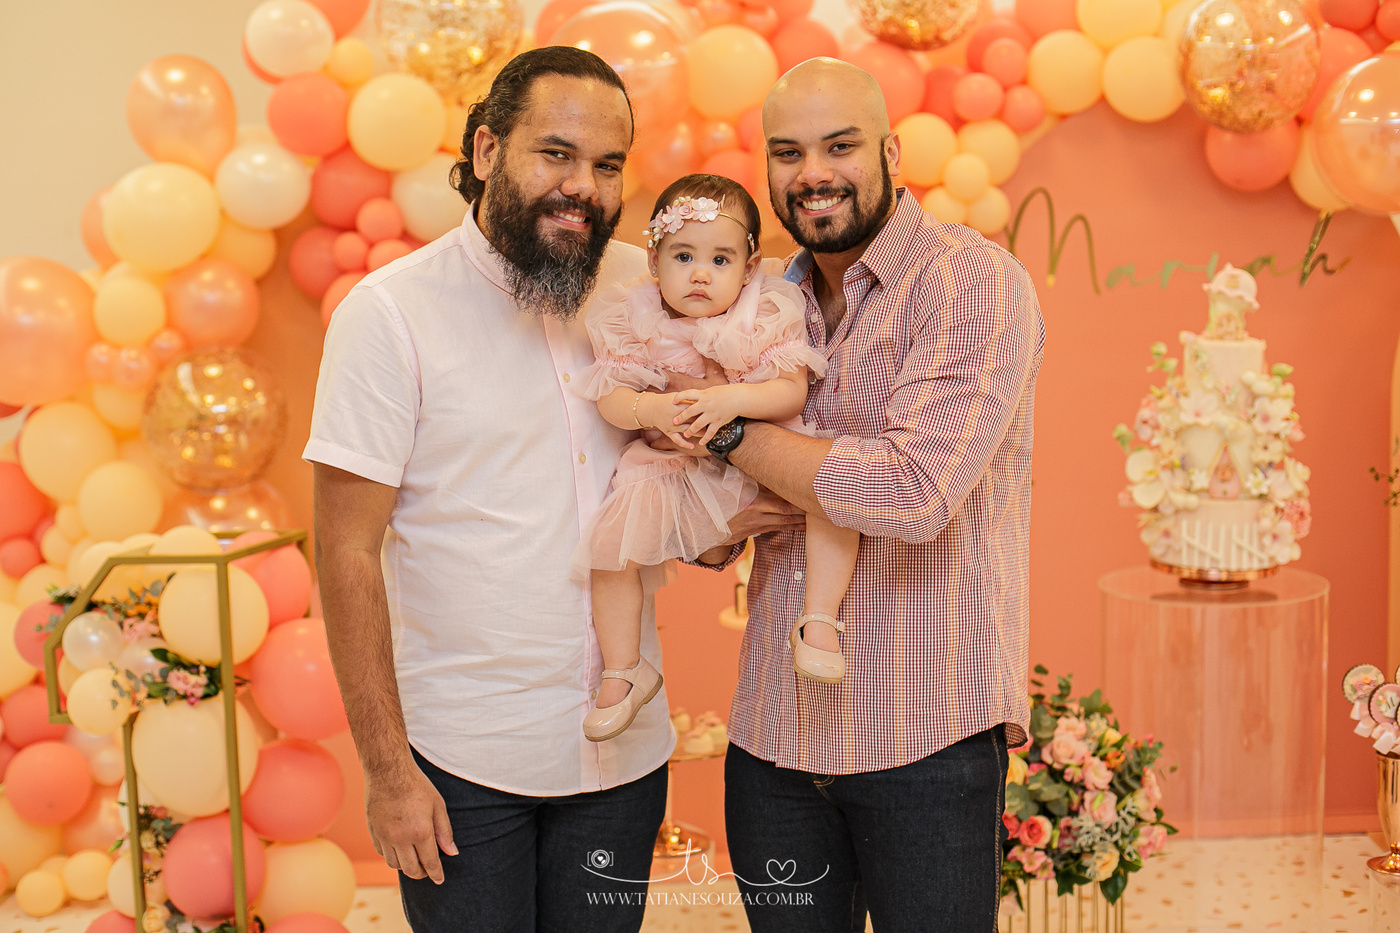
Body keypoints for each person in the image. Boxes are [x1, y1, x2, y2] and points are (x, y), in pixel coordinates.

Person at [303, 48, 797, 933]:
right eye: (556, 154)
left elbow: (664, 468)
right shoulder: (389, 314)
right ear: (487, 150)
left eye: (607, 165)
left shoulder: (645, 288)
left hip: (623, 760)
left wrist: (711, 529)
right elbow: (345, 549)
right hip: (461, 763)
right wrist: (387, 770)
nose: (583, 187)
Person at [704, 58, 1046, 931]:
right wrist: (720, 506)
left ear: (892, 152)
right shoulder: (760, 301)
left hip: (924, 739)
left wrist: (732, 430)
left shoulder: (970, 282)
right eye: (788, 152)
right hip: (773, 739)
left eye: (840, 146)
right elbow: (698, 510)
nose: (812, 173)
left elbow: (911, 492)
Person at [571, 173, 858, 743]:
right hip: (673, 466)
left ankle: (821, 618)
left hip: (758, 456)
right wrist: (651, 410)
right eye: (683, 256)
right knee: (610, 551)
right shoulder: (631, 315)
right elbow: (610, 397)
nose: (700, 274)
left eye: (720, 260)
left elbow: (790, 390)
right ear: (654, 261)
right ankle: (623, 670)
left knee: (831, 492)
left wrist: (731, 400)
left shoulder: (763, 311)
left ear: (748, 268)